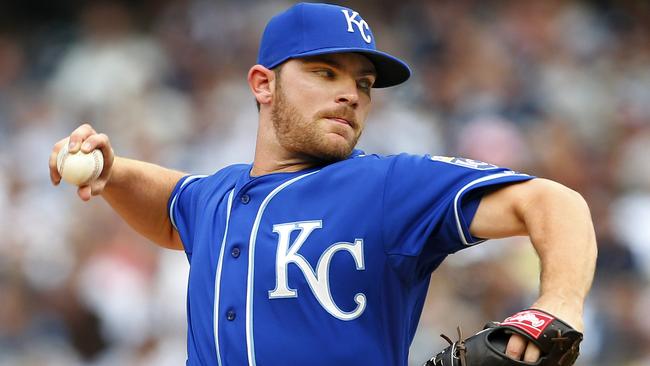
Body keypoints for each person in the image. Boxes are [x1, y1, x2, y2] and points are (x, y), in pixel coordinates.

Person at [49, 3, 597, 365]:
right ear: (263, 84)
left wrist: (559, 304)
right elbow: (173, 207)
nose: (351, 94)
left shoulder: (387, 186)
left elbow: (553, 201)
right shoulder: (216, 197)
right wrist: (112, 172)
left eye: (362, 82)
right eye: (324, 72)